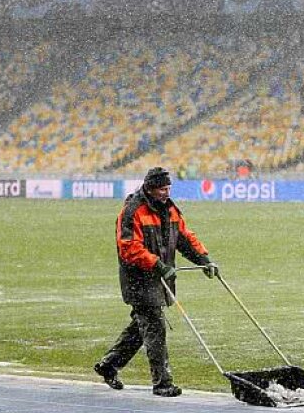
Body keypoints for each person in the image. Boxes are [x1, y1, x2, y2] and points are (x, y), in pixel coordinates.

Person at [94, 167, 219, 397]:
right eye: (162, 188)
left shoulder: (170, 209)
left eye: (169, 188)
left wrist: (204, 259)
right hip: (139, 279)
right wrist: (157, 265)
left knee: (142, 329)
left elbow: (183, 237)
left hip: (159, 277)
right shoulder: (133, 211)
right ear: (150, 188)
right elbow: (129, 247)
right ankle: (162, 382)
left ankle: (109, 364)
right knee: (155, 326)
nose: (166, 192)